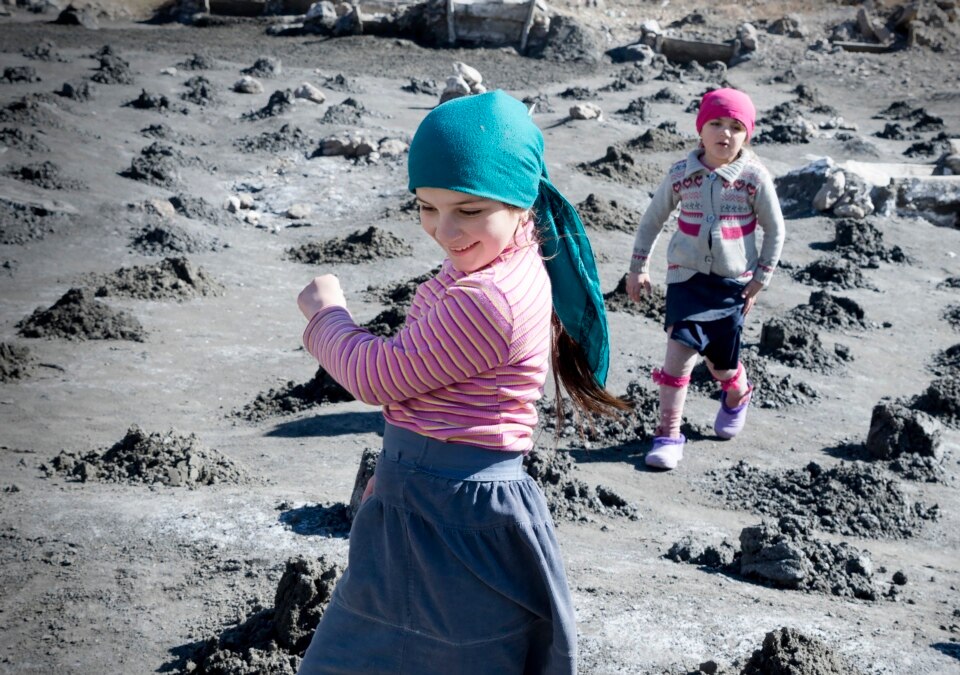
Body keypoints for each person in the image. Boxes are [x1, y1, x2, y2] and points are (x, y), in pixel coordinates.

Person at [295, 90, 626, 674]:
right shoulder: (507, 258)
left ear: (521, 201)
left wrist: (327, 317)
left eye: (468, 210)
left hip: (448, 517)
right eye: (426, 207)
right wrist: (396, 476)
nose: (445, 231)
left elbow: (379, 376)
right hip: (436, 500)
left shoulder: (490, 298)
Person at [625, 87, 785, 471]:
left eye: (735, 127)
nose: (724, 133)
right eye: (716, 123)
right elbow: (652, 220)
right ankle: (667, 434)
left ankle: (737, 391)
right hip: (685, 280)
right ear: (701, 129)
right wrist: (638, 267)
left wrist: (760, 280)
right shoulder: (681, 174)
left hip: (733, 285)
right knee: (678, 355)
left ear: (747, 135)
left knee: (720, 365)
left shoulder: (753, 178)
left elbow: (775, 230)